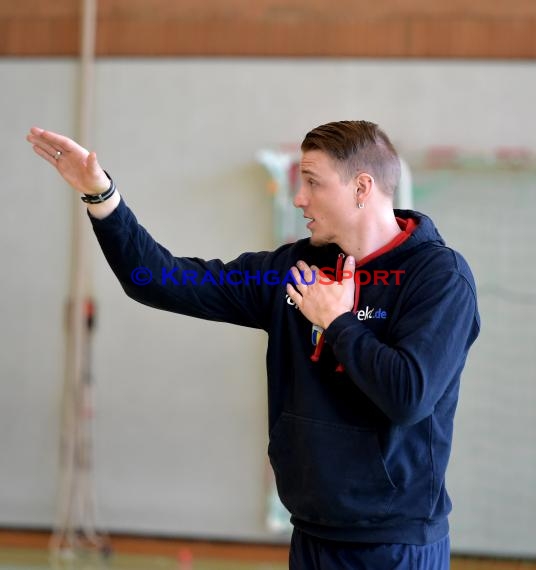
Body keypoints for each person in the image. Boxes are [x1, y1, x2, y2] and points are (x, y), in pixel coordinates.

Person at [27, 121, 480, 569]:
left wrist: (337, 322)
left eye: (312, 184)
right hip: (312, 534)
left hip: (394, 546)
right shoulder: (291, 268)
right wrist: (101, 197)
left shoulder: (439, 278)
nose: (299, 198)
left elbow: (409, 396)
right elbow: (157, 279)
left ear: (362, 187)